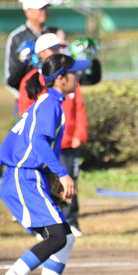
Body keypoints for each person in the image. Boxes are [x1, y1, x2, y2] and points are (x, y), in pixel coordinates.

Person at [0, 54, 89, 275]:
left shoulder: (51, 101)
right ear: (61, 79)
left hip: (28, 176)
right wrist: (62, 173)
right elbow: (38, 141)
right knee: (58, 236)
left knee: (66, 237)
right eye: (74, 73)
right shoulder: (51, 103)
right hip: (22, 177)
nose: (78, 77)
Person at [18, 30, 88, 237]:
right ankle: (43, 227)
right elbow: (36, 135)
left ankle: (67, 223)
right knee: (49, 186)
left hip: (65, 145)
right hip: (34, 157)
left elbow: (80, 108)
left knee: (66, 188)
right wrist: (61, 172)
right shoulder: (47, 97)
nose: (60, 50)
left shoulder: (63, 90)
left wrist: (80, 133)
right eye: (55, 49)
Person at [4, 0, 50, 99]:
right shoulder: (16, 38)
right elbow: (11, 79)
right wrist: (25, 98)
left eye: (46, 7)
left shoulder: (52, 35)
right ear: (27, 11)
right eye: (40, 8)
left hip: (50, 99)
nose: (44, 11)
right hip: (26, 101)